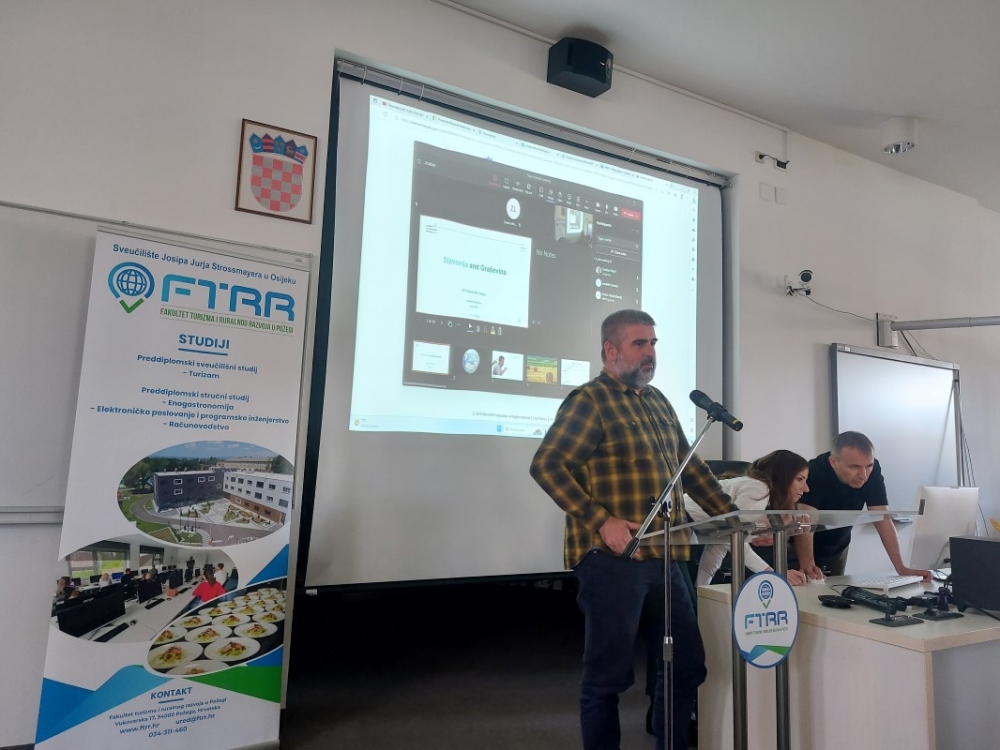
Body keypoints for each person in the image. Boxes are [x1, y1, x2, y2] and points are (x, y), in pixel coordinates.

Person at [530, 309, 736, 750]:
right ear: (611, 350)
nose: (650, 352)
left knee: (685, 665)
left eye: (653, 343)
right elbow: (547, 465)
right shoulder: (590, 400)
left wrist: (735, 519)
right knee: (607, 677)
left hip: (667, 556)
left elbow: (690, 469)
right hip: (612, 559)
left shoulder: (658, 401)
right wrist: (600, 521)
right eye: (639, 343)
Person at [792, 431, 930, 581]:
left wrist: (901, 567)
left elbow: (882, 518)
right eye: (854, 467)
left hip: (837, 547)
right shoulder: (814, 471)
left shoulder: (872, 471)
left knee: (835, 590)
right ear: (833, 462)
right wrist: (808, 565)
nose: (863, 475)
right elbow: (806, 521)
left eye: (868, 465)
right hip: (799, 550)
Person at [686, 450, 810, 587]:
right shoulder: (759, 489)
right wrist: (774, 573)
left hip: (684, 525)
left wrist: (701, 589)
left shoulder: (756, 488)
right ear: (782, 476)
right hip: (679, 523)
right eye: (799, 479)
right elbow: (734, 535)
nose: (806, 489)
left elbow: (720, 542)